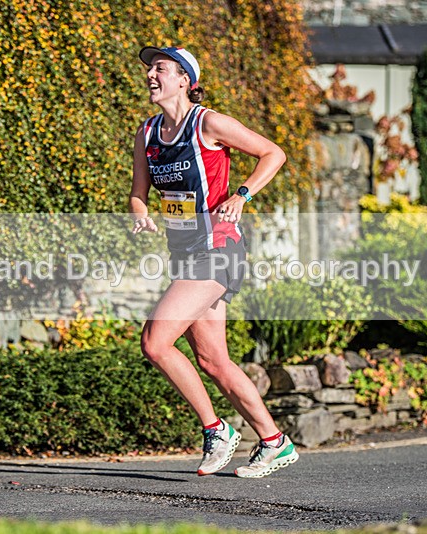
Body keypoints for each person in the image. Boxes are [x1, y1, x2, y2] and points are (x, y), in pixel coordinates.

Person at [129, 45, 298, 478]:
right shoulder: (146, 134)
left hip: (219, 248)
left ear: (185, 79)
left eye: (160, 68)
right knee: (213, 361)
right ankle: (274, 441)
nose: (151, 74)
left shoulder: (209, 123)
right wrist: (141, 214)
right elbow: (138, 192)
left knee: (155, 341)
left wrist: (241, 196)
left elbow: (273, 153)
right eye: (149, 69)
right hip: (184, 253)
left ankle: (216, 430)